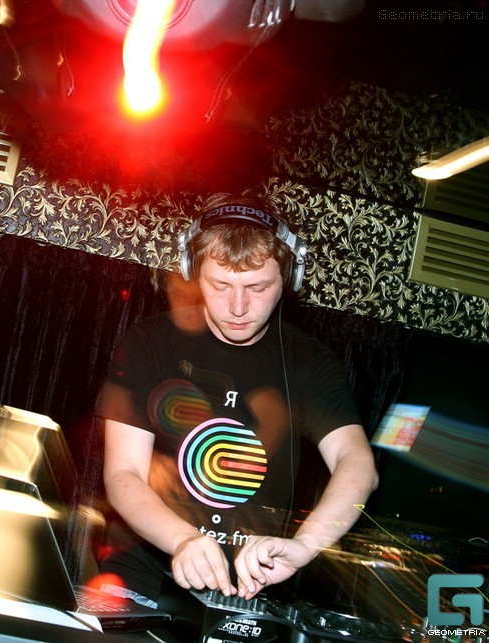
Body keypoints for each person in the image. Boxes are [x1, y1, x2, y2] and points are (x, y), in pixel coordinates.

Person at [95, 196, 378, 607]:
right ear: (193, 272)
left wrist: (305, 546)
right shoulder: (150, 341)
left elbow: (357, 463)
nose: (238, 307)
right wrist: (182, 539)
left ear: (289, 279)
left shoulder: (311, 361)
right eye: (220, 285)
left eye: (258, 287)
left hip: (249, 590)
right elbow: (124, 472)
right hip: (140, 580)